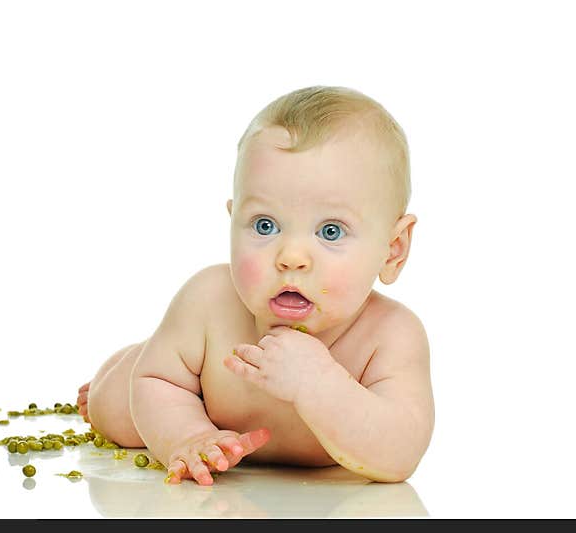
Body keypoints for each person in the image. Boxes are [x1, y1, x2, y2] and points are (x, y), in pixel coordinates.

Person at [78, 86, 433, 485]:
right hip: (186, 401)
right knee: (120, 414)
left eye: (331, 231)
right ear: (233, 222)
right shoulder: (210, 301)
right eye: (265, 225)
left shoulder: (389, 336)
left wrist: (320, 383)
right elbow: (158, 382)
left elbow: (401, 453)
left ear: (392, 250)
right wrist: (190, 436)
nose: (292, 256)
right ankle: (117, 370)